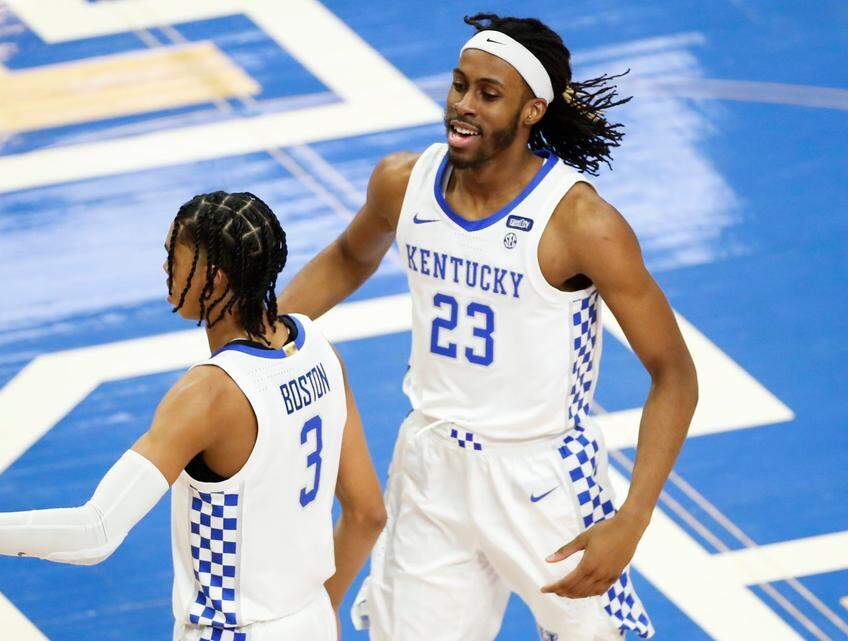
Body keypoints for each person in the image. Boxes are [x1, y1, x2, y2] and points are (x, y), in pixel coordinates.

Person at [278, 13, 698, 641]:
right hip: (431, 465)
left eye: (488, 94)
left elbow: (675, 375)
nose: (462, 106)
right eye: (459, 84)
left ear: (532, 110)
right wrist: (263, 333)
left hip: (542, 479)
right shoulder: (404, 182)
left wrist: (632, 519)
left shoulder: (581, 223)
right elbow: (349, 256)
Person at [0, 191, 387, 641]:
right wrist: (313, 615)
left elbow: (95, 533)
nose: (164, 268)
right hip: (310, 622)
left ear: (216, 278)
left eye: (174, 258)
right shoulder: (318, 351)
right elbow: (366, 513)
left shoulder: (209, 396)